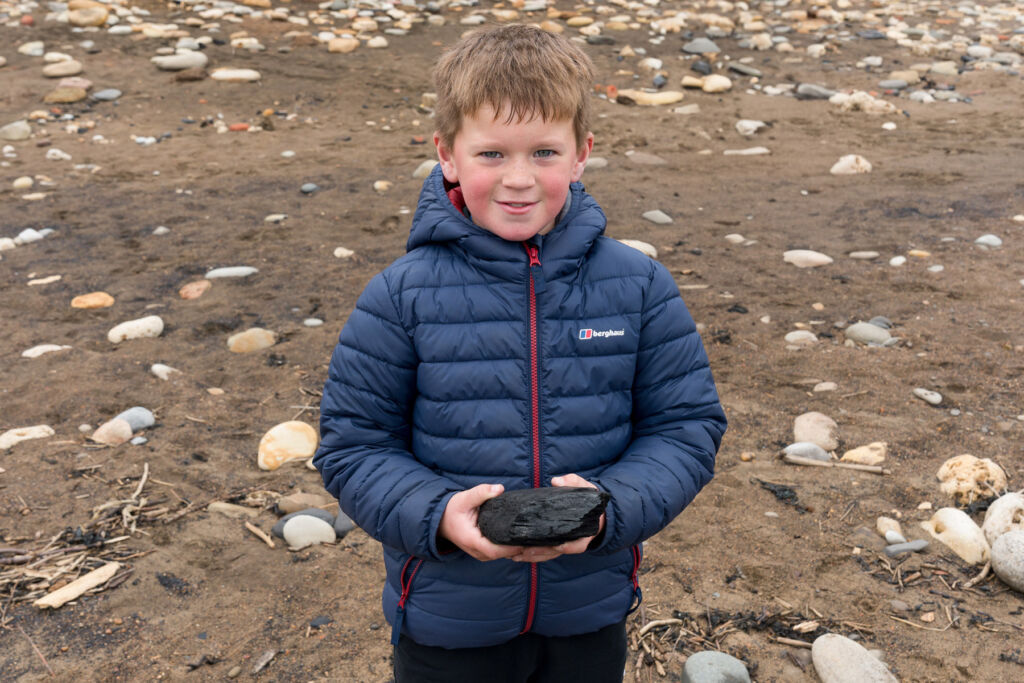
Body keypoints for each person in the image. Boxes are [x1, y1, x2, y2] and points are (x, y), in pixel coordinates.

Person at [313, 24, 726, 682]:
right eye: (491, 155)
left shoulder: (639, 286)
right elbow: (352, 444)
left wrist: (609, 508)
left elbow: (686, 426)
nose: (518, 180)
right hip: (449, 620)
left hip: (589, 610)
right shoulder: (401, 295)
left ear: (582, 154)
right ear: (446, 154)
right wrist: (437, 514)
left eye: (543, 151)